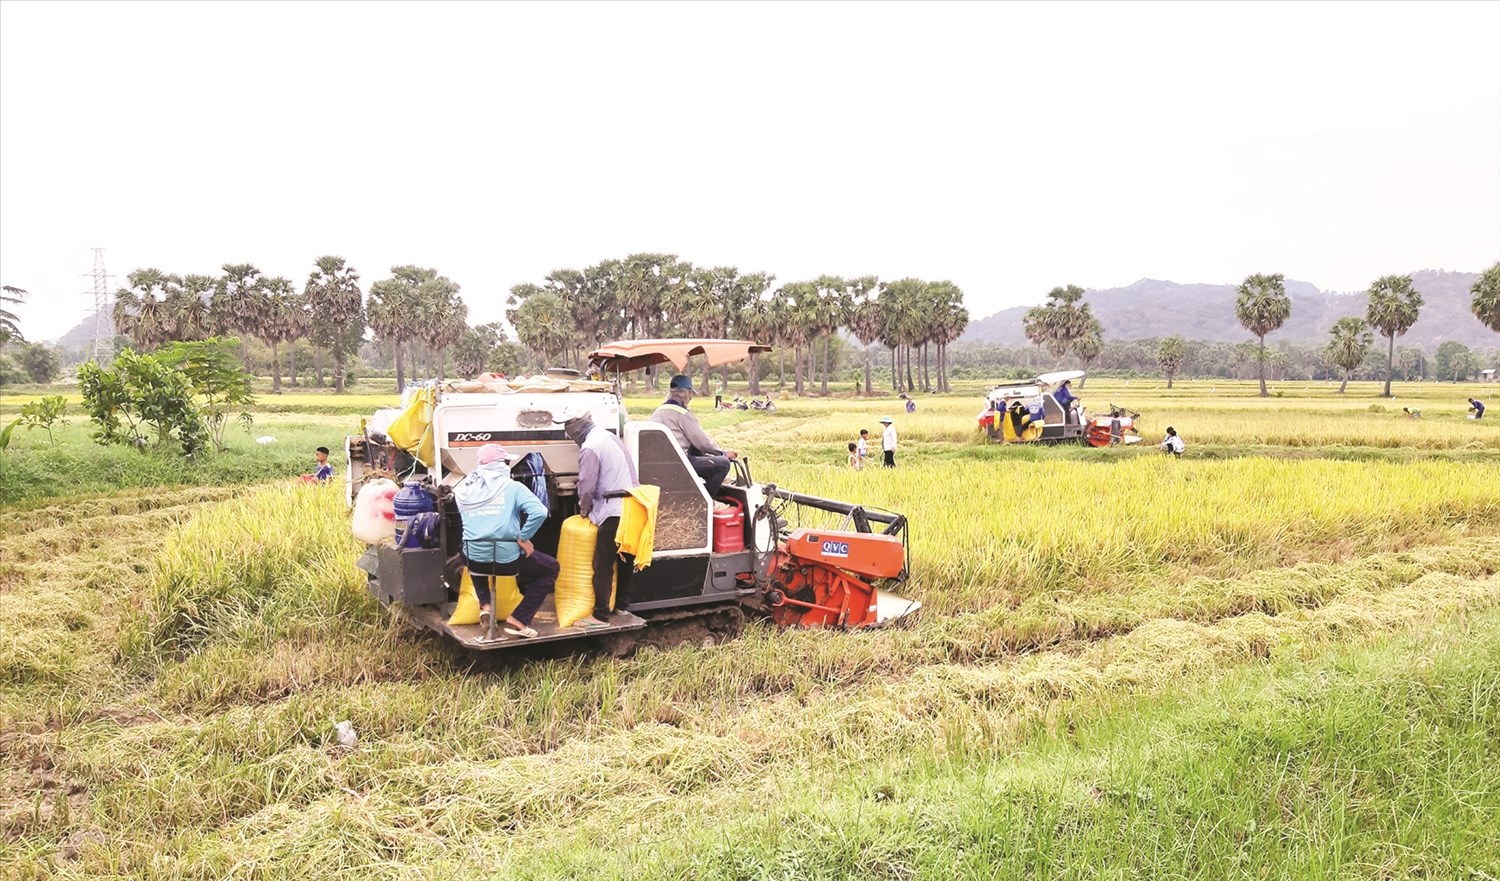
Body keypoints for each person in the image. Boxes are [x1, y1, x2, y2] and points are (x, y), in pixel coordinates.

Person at [453, 443, 558, 640]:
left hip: (475, 557)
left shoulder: (464, 489)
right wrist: (523, 538)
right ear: (501, 464)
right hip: (506, 560)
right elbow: (540, 512)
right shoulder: (513, 487)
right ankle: (519, 619)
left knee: (468, 551)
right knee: (551, 568)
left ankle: (485, 605)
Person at [563, 412, 639, 629]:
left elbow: (586, 486)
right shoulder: (609, 437)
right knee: (625, 560)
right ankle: (622, 606)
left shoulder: (590, 448)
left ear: (576, 430)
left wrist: (584, 511)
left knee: (602, 564)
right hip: (631, 507)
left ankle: (600, 615)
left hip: (612, 511)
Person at [650, 374, 739, 498]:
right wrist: (722, 453)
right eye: (691, 394)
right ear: (685, 393)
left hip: (659, 463)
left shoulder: (658, 411)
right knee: (723, 464)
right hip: (679, 463)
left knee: (696, 451)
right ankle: (705, 500)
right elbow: (702, 442)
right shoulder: (682, 413)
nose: (691, 398)